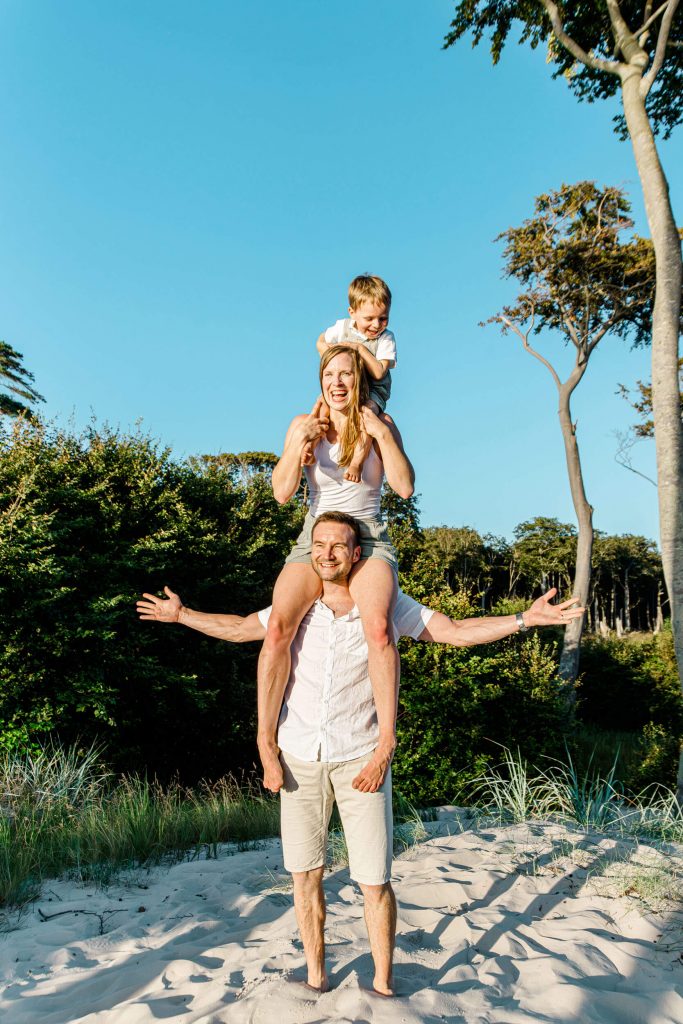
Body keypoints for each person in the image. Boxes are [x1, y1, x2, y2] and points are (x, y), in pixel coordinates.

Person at [137, 511, 584, 998]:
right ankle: (315, 976)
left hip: (361, 760)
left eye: (338, 546)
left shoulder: (388, 605)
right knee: (305, 875)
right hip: (298, 758)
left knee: (374, 879)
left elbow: (455, 630)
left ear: (356, 554)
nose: (327, 553)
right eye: (319, 544)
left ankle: (384, 985)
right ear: (311, 550)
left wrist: (525, 618)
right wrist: (181, 615)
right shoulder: (296, 605)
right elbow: (244, 627)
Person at [258, 345, 414, 801]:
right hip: (317, 537)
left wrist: (381, 436)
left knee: (380, 630)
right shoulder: (303, 424)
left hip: (369, 539)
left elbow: (404, 487)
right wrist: (299, 442)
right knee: (277, 630)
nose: (338, 382)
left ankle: (385, 741)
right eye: (330, 374)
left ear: (360, 380)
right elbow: (282, 494)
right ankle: (267, 741)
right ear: (321, 379)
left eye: (347, 374)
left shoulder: (379, 425)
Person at [302, 274, 397, 482]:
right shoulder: (342, 328)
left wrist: (360, 349)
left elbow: (380, 371)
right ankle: (309, 445)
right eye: (369, 318)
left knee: (366, 416)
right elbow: (320, 343)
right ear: (352, 313)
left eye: (383, 318)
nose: (377, 324)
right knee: (322, 406)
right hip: (346, 386)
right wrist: (333, 357)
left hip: (373, 389)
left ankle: (357, 462)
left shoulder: (386, 338)